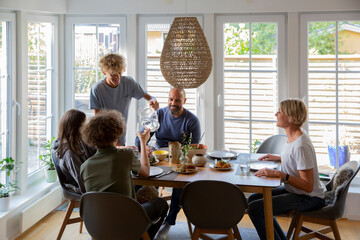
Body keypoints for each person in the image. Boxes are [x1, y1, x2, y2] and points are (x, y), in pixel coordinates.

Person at [80, 110, 168, 240]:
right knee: (162, 204)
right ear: (117, 133)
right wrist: (143, 142)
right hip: (127, 221)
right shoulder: (125, 155)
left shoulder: (85, 166)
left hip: (97, 225)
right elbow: (145, 173)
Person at [247, 98, 326, 240]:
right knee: (253, 199)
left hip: (309, 197)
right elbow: (297, 160)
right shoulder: (295, 137)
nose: (276, 114)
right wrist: (278, 158)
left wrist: (280, 174)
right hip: (297, 191)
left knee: (256, 208)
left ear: (292, 118)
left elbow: (308, 186)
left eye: (280, 111)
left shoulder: (301, 145)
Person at [135, 88, 201, 239]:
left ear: (184, 101)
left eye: (177, 100)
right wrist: (146, 146)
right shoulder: (159, 114)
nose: (173, 103)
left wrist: (184, 154)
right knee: (139, 178)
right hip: (159, 159)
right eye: (171, 99)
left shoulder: (192, 120)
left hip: (180, 160)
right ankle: (139, 219)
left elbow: (195, 148)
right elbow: (140, 139)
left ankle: (169, 222)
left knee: (179, 187)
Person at [89, 53, 159, 146]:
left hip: (121, 135)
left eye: (119, 72)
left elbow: (150, 97)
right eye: (113, 74)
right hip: (104, 136)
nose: (117, 76)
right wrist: (112, 141)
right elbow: (97, 121)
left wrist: (153, 100)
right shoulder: (97, 89)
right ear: (104, 72)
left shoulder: (129, 83)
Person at [52, 109, 96, 194]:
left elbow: (95, 152)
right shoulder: (70, 154)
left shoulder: (79, 141)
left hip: (91, 179)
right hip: (85, 188)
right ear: (76, 127)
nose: (86, 126)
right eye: (84, 123)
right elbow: (82, 183)